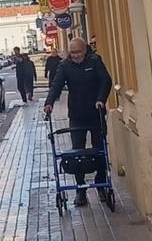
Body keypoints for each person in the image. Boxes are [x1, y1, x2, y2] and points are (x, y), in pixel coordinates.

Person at [44, 37, 113, 207]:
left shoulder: (94, 61)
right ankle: (80, 191)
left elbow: (106, 80)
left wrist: (101, 99)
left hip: (95, 112)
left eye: (78, 52)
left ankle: (101, 183)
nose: (75, 56)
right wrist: (49, 102)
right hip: (76, 114)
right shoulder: (65, 65)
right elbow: (56, 85)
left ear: (85, 50)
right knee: (78, 152)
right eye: (72, 53)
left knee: (99, 150)